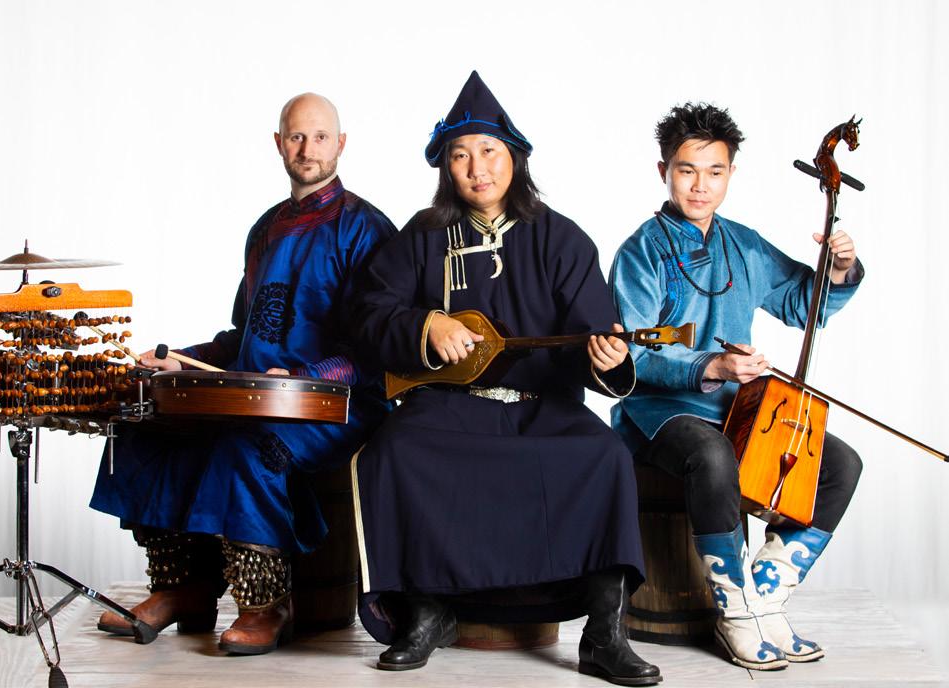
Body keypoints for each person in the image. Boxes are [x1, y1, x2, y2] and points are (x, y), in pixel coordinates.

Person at [350, 71, 661, 686]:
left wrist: (607, 358)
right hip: (447, 405)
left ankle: (605, 632)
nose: (477, 168)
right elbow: (369, 312)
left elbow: (595, 333)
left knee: (604, 455)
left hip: (542, 406)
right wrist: (425, 325)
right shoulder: (423, 235)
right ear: (446, 168)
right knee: (393, 450)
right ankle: (428, 611)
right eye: (461, 155)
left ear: (515, 158)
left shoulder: (563, 239)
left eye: (489, 151)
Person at [90, 93, 396, 654]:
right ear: (278, 143)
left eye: (320, 137)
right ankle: (183, 590)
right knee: (146, 428)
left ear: (341, 144)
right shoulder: (264, 229)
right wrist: (180, 358)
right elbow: (242, 336)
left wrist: (301, 376)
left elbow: (375, 349)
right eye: (296, 137)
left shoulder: (366, 229)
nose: (308, 149)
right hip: (255, 398)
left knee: (246, 448)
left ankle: (265, 604)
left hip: (341, 404)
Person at [609, 102, 864, 670]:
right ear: (664, 172)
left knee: (840, 464)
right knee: (713, 455)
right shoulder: (640, 251)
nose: (700, 185)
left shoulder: (743, 244)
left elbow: (802, 303)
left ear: (730, 174)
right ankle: (734, 612)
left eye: (715, 171)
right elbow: (636, 357)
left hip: (736, 408)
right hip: (657, 412)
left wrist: (839, 267)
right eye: (686, 170)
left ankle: (765, 599)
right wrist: (714, 366)